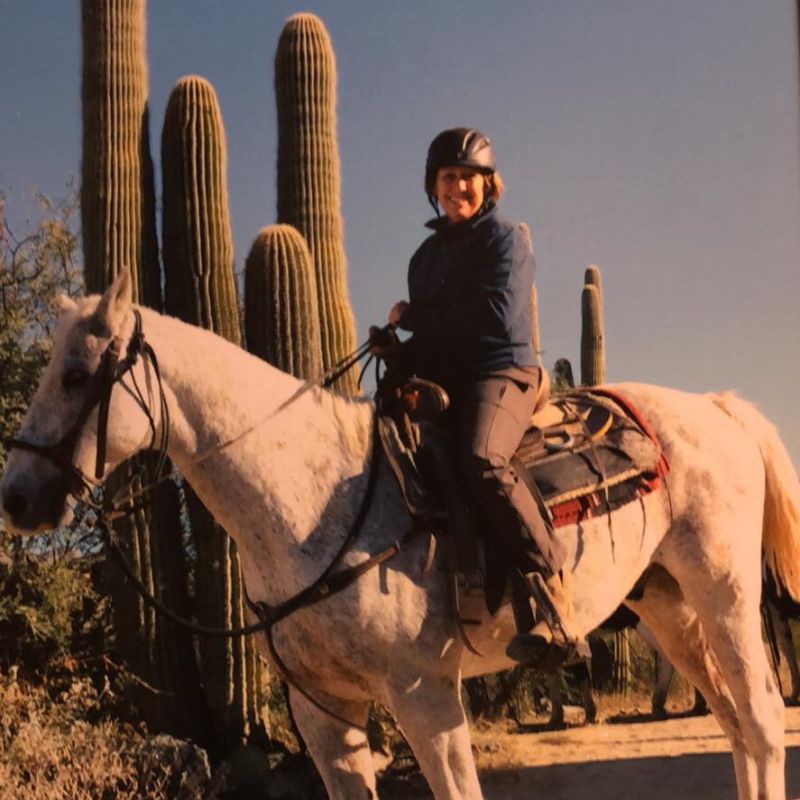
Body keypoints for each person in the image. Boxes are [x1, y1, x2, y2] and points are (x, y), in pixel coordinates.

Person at [376, 127, 586, 668]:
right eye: (448, 177)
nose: (458, 187)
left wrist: (415, 319)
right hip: (452, 381)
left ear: (488, 184)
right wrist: (398, 353)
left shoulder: (506, 240)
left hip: (505, 371)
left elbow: (493, 320)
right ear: (433, 187)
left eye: (469, 177)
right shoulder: (423, 259)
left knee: (481, 458)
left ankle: (554, 592)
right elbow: (435, 342)